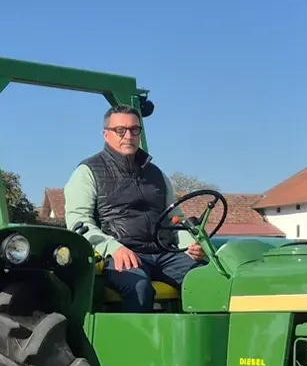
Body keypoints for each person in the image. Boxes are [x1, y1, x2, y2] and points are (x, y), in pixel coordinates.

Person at [63, 105, 206, 312]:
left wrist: (191, 245)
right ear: (106, 134)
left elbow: (175, 218)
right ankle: (135, 343)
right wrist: (114, 248)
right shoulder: (88, 172)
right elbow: (79, 222)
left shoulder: (156, 174)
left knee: (208, 281)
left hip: (165, 253)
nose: (128, 135)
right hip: (122, 253)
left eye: (134, 130)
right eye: (120, 130)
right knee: (139, 287)